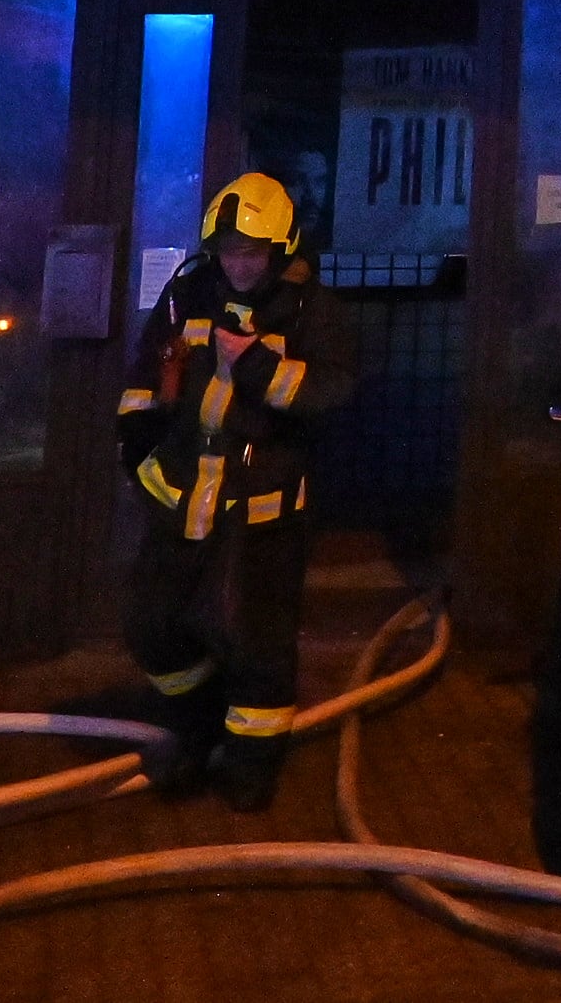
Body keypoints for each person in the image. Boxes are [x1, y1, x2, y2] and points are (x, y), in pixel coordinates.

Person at [116, 171, 351, 809]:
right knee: (150, 623)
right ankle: (197, 723)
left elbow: (330, 394)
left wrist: (252, 363)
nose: (238, 264)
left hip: (265, 507)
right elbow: (146, 378)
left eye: (250, 252)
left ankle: (252, 763)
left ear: (279, 250)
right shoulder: (187, 292)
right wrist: (138, 449)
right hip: (181, 495)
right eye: (228, 251)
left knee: (259, 641)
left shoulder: (311, 311)